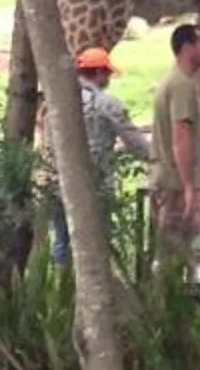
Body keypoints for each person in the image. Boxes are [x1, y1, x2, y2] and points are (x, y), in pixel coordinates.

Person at [48, 44, 151, 262]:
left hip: (57, 181)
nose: (109, 79)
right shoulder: (106, 104)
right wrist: (159, 157)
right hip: (95, 183)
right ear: (98, 73)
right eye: (107, 73)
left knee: (63, 242)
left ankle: (61, 288)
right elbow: (135, 142)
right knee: (95, 244)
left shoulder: (57, 100)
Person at [150, 21, 200, 260]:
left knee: (173, 254)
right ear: (187, 47)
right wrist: (189, 188)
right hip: (175, 186)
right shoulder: (181, 86)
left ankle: (172, 296)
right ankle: (188, 297)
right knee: (184, 255)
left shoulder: (172, 81)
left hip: (167, 182)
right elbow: (181, 137)